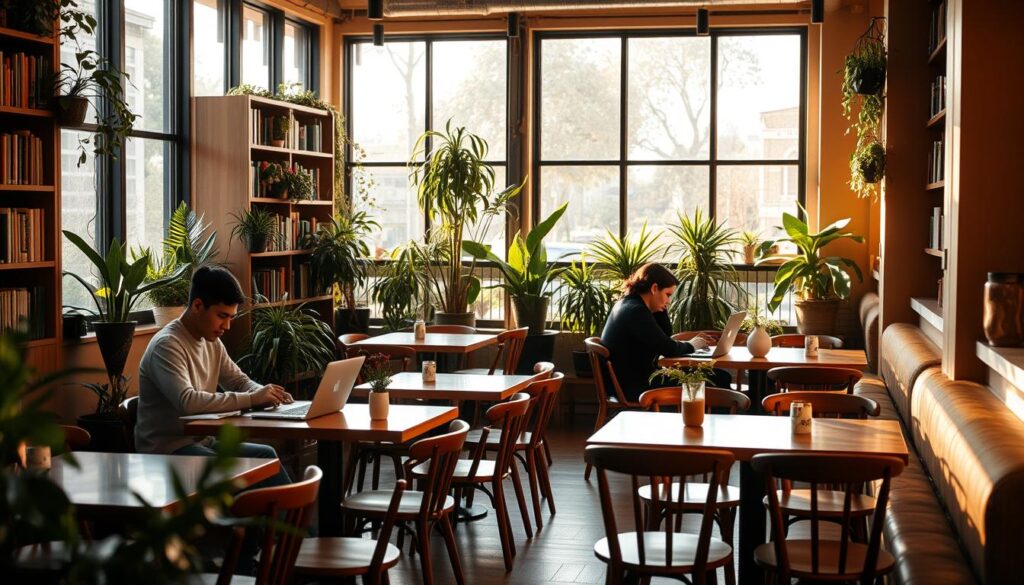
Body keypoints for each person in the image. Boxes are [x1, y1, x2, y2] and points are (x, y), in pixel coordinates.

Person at [136, 265, 293, 487]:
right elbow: (187, 402)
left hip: (202, 442)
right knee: (240, 471)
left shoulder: (212, 342)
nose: (227, 326)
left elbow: (238, 381)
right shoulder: (167, 345)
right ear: (198, 306)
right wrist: (252, 399)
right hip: (168, 450)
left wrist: (265, 392)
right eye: (222, 316)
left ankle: (288, 520)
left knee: (265, 456)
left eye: (231, 317)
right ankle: (250, 520)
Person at [600, 262, 732, 402]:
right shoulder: (636, 311)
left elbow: (664, 336)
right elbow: (668, 348)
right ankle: (708, 422)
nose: (669, 301)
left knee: (719, 376)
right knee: (719, 378)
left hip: (633, 380)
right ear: (654, 288)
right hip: (635, 386)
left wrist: (660, 308)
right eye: (667, 295)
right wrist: (692, 345)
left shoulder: (628, 304)